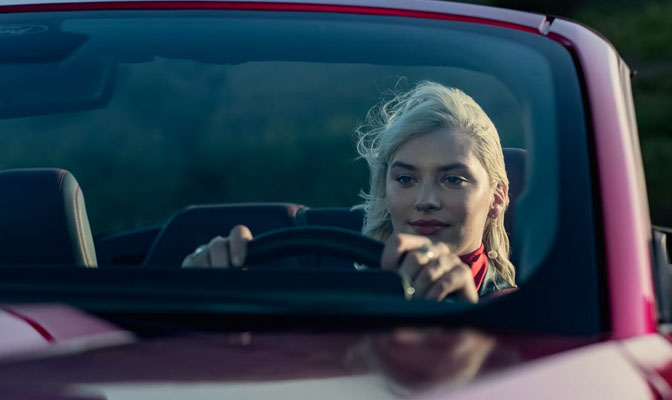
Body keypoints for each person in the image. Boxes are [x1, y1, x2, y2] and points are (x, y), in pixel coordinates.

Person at [182, 81, 516, 302]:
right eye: (405, 179)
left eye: (453, 180)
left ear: (497, 197)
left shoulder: (524, 313)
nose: (425, 201)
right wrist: (213, 292)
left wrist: (472, 315)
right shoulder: (335, 292)